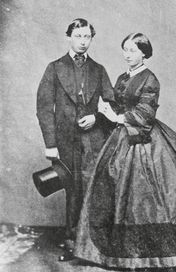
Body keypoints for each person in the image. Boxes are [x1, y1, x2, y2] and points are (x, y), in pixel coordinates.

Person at [73, 33, 176, 271]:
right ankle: (117, 250)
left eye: (132, 50)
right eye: (125, 50)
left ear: (143, 53)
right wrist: (104, 111)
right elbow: (118, 105)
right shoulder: (122, 78)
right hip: (121, 137)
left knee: (153, 195)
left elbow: (145, 116)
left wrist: (115, 116)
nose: (127, 55)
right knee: (112, 185)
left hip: (145, 138)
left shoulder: (150, 79)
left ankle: (161, 256)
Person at [36, 18, 115, 261]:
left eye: (87, 37)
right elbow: (43, 107)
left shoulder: (98, 69)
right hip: (65, 141)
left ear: (91, 39)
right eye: (78, 36)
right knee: (73, 191)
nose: (82, 42)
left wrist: (96, 118)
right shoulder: (54, 67)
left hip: (93, 141)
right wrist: (50, 144)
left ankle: (94, 246)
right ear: (68, 37)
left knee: (94, 190)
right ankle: (72, 244)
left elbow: (111, 104)